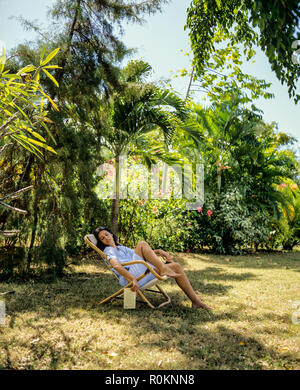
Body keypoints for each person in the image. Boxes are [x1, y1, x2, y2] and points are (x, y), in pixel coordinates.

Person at [93, 226, 212, 310]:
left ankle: (196, 302)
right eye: (103, 238)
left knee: (176, 266)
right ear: (102, 242)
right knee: (142, 244)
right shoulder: (109, 250)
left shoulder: (121, 248)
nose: (106, 238)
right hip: (130, 277)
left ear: (111, 234)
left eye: (106, 234)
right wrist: (132, 279)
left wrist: (158, 251)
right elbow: (116, 265)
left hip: (140, 272)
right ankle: (163, 268)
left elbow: (143, 253)